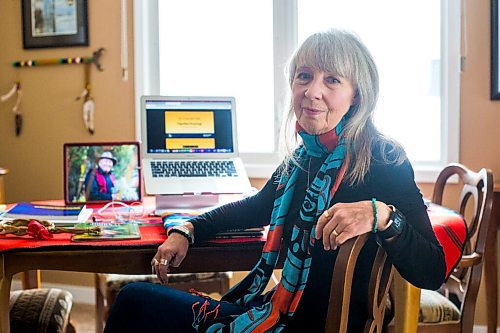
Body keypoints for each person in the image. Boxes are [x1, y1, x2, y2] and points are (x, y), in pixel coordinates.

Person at [104, 29, 446, 332]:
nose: (312, 91)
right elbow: (254, 208)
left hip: (313, 325)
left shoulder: (384, 158)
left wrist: (382, 215)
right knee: (139, 303)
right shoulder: (303, 157)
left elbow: (432, 270)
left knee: (134, 301)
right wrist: (188, 229)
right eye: (305, 76)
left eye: (332, 80)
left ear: (356, 94)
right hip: (276, 313)